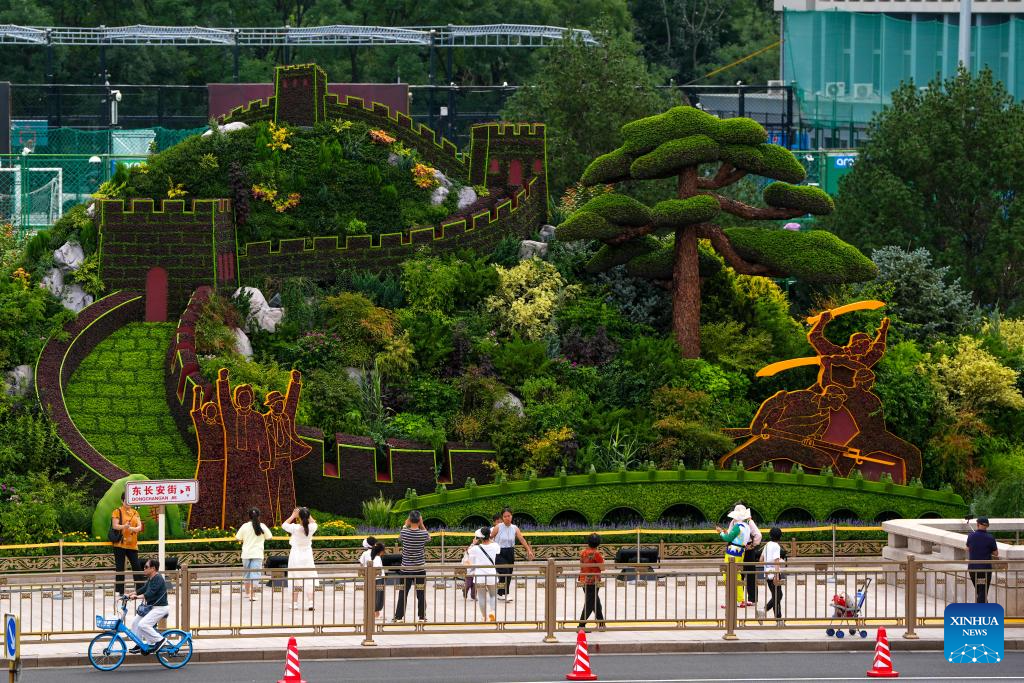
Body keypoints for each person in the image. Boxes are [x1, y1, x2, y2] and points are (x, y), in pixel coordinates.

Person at [491, 507, 535, 601]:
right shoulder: (498, 527)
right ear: (502, 517)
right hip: (499, 552)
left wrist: (529, 550)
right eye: (505, 516)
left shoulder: (515, 528)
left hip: (510, 552)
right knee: (505, 571)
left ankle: (500, 593)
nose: (507, 518)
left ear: (512, 516)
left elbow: (522, 539)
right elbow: (490, 538)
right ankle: (506, 593)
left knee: (508, 573)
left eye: (509, 516)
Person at [393, 510, 430, 622]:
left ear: (409, 520)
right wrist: (422, 525)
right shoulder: (423, 534)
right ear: (419, 520)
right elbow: (429, 538)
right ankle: (422, 617)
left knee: (403, 593)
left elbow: (399, 539)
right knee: (421, 593)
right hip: (420, 569)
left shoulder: (404, 532)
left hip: (406, 569)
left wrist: (405, 525)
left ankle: (399, 617)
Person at [126, 559, 169, 654]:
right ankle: (139, 644)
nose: (144, 569)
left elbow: (150, 593)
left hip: (160, 608)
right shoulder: (151, 578)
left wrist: (136, 597)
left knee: (143, 624)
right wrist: (131, 594)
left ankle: (160, 640)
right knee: (135, 623)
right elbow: (144, 588)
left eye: (146, 567)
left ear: (153, 568)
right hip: (151, 607)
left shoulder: (158, 578)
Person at [715, 505, 752, 609]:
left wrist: (721, 533)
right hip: (741, 552)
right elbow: (737, 537)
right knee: (738, 576)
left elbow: (728, 538)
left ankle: (730, 601)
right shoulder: (746, 526)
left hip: (732, 552)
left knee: (728, 576)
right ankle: (741, 600)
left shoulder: (737, 526)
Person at [282, 507, 318, 610]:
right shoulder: (312, 527)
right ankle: (311, 603)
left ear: (299, 517)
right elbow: (314, 522)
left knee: (295, 577)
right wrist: (307, 513)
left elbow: (284, 525)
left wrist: (293, 515)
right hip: (307, 556)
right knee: (309, 577)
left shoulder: (295, 528)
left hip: (296, 555)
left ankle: (294, 604)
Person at [235, 507, 273, 601]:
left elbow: (238, 538)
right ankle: (253, 595)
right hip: (257, 554)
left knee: (247, 573)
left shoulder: (244, 526)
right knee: (255, 574)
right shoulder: (262, 526)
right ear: (259, 515)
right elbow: (269, 537)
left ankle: (247, 593)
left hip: (246, 554)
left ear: (249, 516)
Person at [111, 491, 144, 598]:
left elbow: (139, 527)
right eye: (126, 500)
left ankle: (140, 590)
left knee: (137, 566)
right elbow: (115, 526)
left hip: (132, 544)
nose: (128, 502)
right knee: (120, 568)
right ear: (122, 500)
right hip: (120, 544)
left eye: (130, 500)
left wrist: (131, 528)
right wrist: (124, 526)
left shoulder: (135, 512)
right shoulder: (117, 511)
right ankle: (119, 591)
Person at [468, 527, 500, 622]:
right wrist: (490, 539)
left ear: (480, 538)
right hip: (491, 575)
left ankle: (484, 617)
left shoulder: (475, 548)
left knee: (481, 597)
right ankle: (492, 612)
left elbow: (468, 552)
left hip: (480, 576)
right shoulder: (495, 546)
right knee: (493, 595)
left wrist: (473, 543)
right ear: (489, 535)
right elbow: (498, 551)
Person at [966, 517, 999, 603]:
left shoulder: (971, 536)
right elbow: (996, 553)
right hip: (984, 570)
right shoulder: (990, 538)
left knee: (980, 592)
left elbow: (967, 548)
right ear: (987, 526)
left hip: (972, 569)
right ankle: (981, 609)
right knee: (982, 592)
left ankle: (985, 608)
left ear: (977, 524)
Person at [577, 533, 605, 631]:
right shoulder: (597, 554)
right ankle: (581, 626)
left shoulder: (583, 552)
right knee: (590, 603)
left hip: (583, 579)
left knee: (595, 602)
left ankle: (601, 624)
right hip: (593, 581)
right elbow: (602, 568)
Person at [760, 527, 786, 623]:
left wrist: (767, 565)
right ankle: (765, 611)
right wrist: (777, 575)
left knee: (777, 595)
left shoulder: (767, 545)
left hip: (767, 573)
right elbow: (776, 561)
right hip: (774, 573)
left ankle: (777, 618)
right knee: (778, 595)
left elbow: (761, 560)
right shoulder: (776, 546)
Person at [369, 542, 386, 618]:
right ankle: (376, 613)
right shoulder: (377, 558)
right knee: (379, 596)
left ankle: (376, 612)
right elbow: (377, 569)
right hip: (379, 579)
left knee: (376, 595)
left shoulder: (373, 558)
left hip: (375, 579)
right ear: (380, 551)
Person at [461, 535, 479, 601]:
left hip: (476, 572)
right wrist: (473, 543)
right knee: (468, 585)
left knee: (474, 585)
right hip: (469, 572)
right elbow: (464, 562)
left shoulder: (477, 552)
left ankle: (473, 596)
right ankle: (464, 591)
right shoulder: (467, 554)